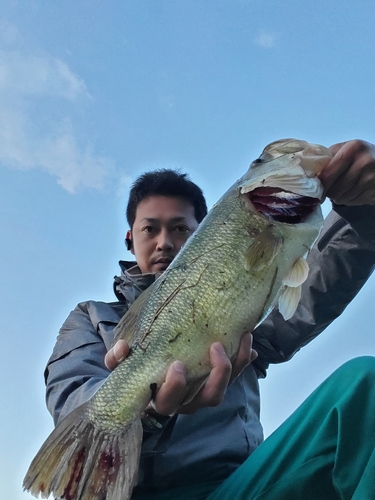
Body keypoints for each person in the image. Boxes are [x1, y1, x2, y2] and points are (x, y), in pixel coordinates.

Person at [45, 139, 375, 499]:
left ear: (204, 229)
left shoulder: (252, 304)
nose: (165, 242)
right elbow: (72, 399)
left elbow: (320, 282)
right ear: (130, 237)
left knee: (365, 385)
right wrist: (149, 409)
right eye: (149, 229)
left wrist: (366, 205)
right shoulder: (89, 318)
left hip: (240, 488)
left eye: (180, 228)